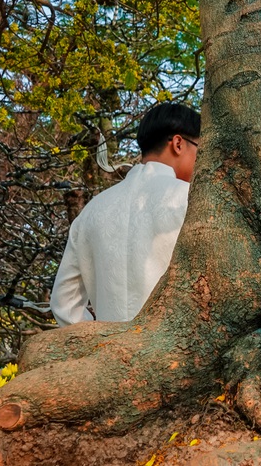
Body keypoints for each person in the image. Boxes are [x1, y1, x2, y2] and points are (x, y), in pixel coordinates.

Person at [50, 103, 200, 326]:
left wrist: (101, 344)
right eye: (200, 149)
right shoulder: (191, 200)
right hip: (182, 354)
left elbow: (64, 304)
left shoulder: (92, 210)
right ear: (179, 144)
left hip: (111, 357)